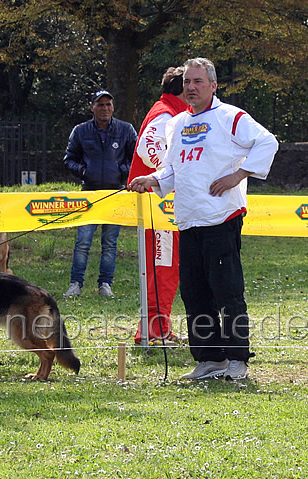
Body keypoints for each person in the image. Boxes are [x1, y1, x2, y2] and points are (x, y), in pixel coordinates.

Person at [129, 58, 279, 380]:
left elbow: (267, 142)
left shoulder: (231, 117)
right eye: (187, 82)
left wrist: (238, 175)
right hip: (188, 219)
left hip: (221, 218)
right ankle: (210, 359)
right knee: (194, 293)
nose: (191, 87)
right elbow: (172, 169)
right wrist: (152, 180)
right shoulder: (177, 123)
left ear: (213, 86)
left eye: (198, 82)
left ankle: (237, 360)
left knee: (227, 292)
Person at [127, 66, 188, 344]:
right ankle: (152, 330)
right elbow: (147, 148)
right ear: (183, 89)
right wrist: (170, 175)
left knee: (166, 269)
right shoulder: (165, 113)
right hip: (158, 207)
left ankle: (158, 327)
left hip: (163, 206)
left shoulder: (169, 111)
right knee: (160, 269)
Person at [63, 90, 137, 298]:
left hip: (116, 193)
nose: (105, 108)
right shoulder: (81, 131)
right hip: (89, 194)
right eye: (100, 105)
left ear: (113, 107)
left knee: (110, 243)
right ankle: (76, 284)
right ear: (92, 107)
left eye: (108, 105)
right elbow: (69, 159)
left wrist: (121, 171)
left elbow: (137, 159)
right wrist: (84, 171)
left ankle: (105, 284)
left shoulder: (126, 129)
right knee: (83, 241)